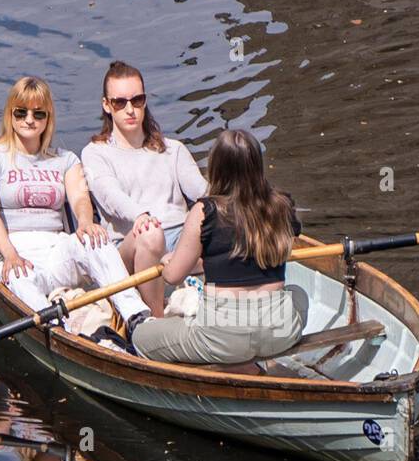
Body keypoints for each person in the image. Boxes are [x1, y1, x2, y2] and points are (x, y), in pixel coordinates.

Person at [0, 75, 151, 335]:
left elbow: (79, 198)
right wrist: (9, 254)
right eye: (21, 113)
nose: (29, 120)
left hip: (55, 247)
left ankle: (136, 315)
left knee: (95, 239)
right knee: (18, 276)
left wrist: (86, 222)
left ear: (48, 118)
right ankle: (59, 330)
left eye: (38, 113)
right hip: (13, 247)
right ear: (10, 115)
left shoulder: (65, 159)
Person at [131, 129, 308, 365]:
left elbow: (173, 277)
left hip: (225, 339)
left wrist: (167, 263)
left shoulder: (205, 211)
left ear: (216, 168)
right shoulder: (282, 206)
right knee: (299, 294)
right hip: (280, 333)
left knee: (140, 336)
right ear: (257, 167)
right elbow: (245, 252)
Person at [81, 60, 208, 316]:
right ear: (107, 105)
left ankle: (240, 302)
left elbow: (204, 193)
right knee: (151, 233)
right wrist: (140, 216)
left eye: (137, 101)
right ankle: (156, 322)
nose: (130, 110)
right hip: (132, 244)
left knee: (222, 215)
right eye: (120, 102)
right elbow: (109, 195)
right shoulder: (96, 153)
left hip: (182, 240)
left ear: (145, 101)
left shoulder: (173, 149)